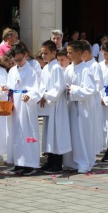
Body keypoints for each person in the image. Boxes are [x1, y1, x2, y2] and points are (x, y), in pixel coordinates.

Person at [3, 43, 41, 176]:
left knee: (27, 132)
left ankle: (29, 164)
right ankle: (18, 162)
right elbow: (10, 85)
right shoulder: (13, 70)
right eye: (15, 60)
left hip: (25, 104)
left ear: (25, 56)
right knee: (15, 133)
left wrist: (29, 96)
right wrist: (6, 89)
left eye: (20, 59)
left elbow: (36, 88)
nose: (18, 62)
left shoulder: (31, 70)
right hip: (14, 103)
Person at [63, 40, 97, 173]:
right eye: (67, 52)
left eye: (70, 52)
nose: (68, 55)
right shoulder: (69, 69)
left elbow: (90, 90)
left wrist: (73, 89)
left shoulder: (85, 70)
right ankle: (70, 162)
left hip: (82, 108)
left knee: (82, 135)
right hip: (71, 105)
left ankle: (84, 162)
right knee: (71, 134)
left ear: (79, 53)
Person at [38, 40, 71, 174]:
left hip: (56, 106)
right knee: (48, 133)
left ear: (53, 53)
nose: (44, 55)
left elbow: (59, 88)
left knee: (56, 134)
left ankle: (57, 163)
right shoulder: (46, 68)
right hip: (48, 106)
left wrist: (45, 95)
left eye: (46, 53)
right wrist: (41, 94)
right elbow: (41, 85)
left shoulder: (57, 68)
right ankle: (50, 160)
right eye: (42, 53)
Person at [81, 39, 104, 159]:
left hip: (92, 99)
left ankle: (93, 151)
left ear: (85, 52)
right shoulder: (83, 65)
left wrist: (86, 89)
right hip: (83, 98)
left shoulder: (95, 66)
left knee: (92, 125)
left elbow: (99, 84)